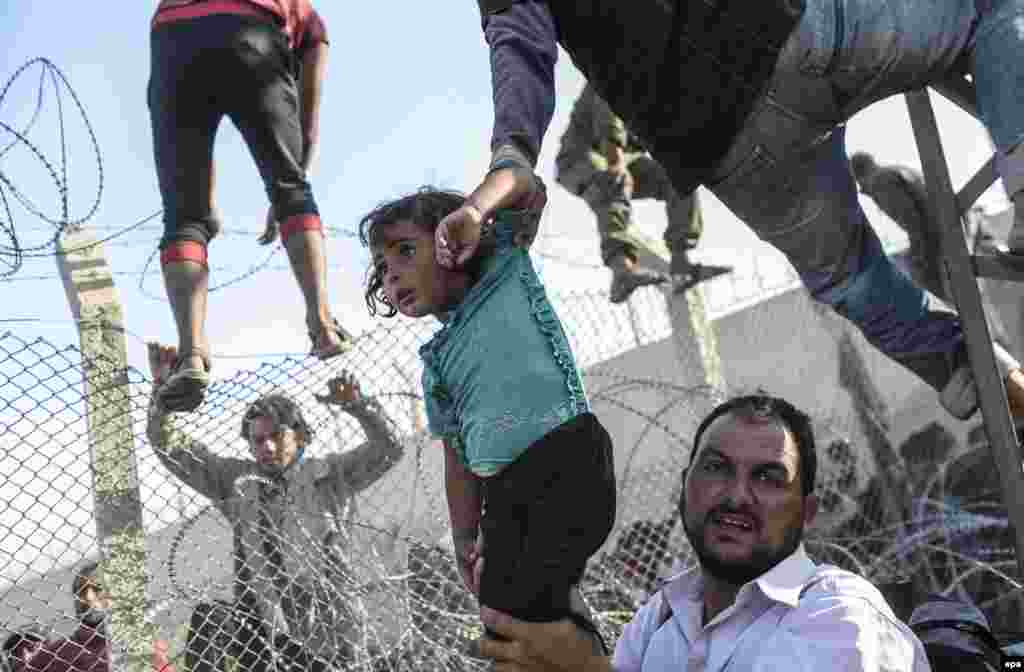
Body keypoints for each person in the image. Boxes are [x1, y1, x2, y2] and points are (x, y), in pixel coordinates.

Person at [462, 0, 1024, 423]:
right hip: (790, 30)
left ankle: (957, 364)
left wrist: (511, 152)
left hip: (725, 147)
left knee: (847, 276)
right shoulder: (594, 122)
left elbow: (518, 41)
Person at [477, 394, 932, 671]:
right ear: (684, 487)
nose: (737, 495)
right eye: (716, 468)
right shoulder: (662, 619)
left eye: (768, 478)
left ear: (807, 511)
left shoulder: (840, 617)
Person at [359, 184, 616, 648]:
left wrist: (474, 211)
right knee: (506, 614)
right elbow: (458, 458)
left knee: (519, 604)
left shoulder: (504, 270)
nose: (392, 275)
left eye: (404, 251)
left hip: (564, 460)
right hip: (504, 494)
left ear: (451, 240)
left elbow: (522, 183)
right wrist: (462, 534)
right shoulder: (437, 364)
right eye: (383, 267)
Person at [146, 343, 404, 672]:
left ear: (298, 435)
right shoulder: (237, 483)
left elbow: (390, 448)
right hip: (268, 632)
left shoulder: (328, 476)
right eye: (256, 440)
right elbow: (170, 447)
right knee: (213, 620)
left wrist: (360, 406)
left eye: (276, 435)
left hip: (332, 628)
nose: (266, 446)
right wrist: (162, 394)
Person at [147, 0, 351, 413]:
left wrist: (204, 210)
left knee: (184, 219)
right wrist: (289, 186)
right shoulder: (308, 21)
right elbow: (306, 130)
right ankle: (322, 323)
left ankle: (190, 355)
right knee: (292, 189)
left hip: (172, 35)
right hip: (253, 26)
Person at [554, 83, 732, 303]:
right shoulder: (618, 66)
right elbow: (607, 109)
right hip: (579, 158)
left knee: (678, 177)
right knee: (616, 180)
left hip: (626, 158)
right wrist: (615, 158)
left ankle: (680, 261)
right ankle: (622, 269)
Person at [5, 563, 175, 672]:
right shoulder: (66, 651)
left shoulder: (143, 644)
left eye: (98, 588)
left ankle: (24, 650)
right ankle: (24, 650)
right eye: (82, 591)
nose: (88, 598)